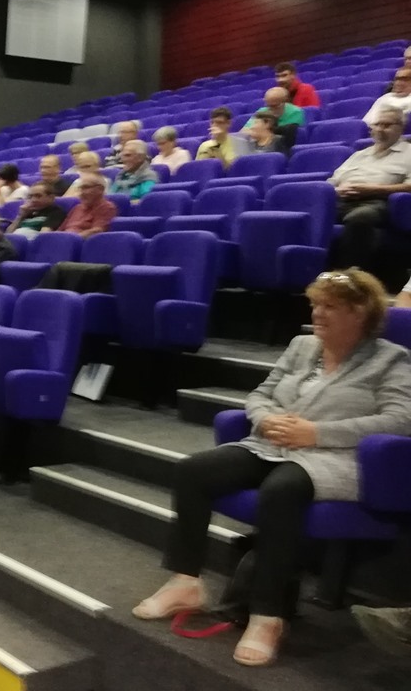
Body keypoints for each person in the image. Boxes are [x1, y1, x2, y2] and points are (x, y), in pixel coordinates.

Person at [132, 269, 411, 667]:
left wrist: (317, 433)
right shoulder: (302, 345)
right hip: (272, 444)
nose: (317, 313)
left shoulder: (391, 359)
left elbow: (400, 420)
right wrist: (265, 420)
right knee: (194, 471)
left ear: (360, 312)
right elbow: (260, 394)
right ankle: (185, 582)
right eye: (315, 304)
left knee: (281, 491)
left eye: (330, 306)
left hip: (334, 456)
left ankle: (267, 616)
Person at [328, 106, 411, 271]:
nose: (380, 129)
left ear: (400, 128)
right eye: (377, 125)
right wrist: (337, 191)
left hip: (379, 202)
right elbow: (332, 181)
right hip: (342, 199)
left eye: (386, 125)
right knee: (312, 215)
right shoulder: (359, 154)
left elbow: (409, 187)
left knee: (360, 218)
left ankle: (351, 275)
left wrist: (371, 189)